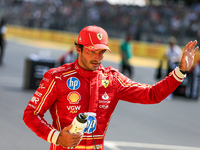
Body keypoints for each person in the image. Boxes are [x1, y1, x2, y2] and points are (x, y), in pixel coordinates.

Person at [23, 25, 198, 150]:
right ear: (78, 48)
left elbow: (152, 95)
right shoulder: (57, 77)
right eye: (92, 50)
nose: (97, 57)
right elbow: (31, 114)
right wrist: (56, 137)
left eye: (102, 51)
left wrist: (181, 71)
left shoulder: (112, 78)